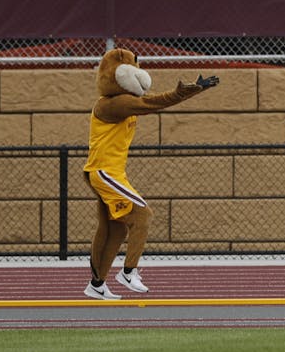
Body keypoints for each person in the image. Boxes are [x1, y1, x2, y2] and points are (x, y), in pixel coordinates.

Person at [83, 49, 218, 300]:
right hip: (104, 172)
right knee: (143, 214)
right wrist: (184, 92)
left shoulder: (120, 101)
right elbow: (152, 103)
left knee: (114, 230)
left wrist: (188, 91)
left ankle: (96, 284)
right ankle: (128, 271)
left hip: (108, 172)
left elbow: (148, 101)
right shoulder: (114, 103)